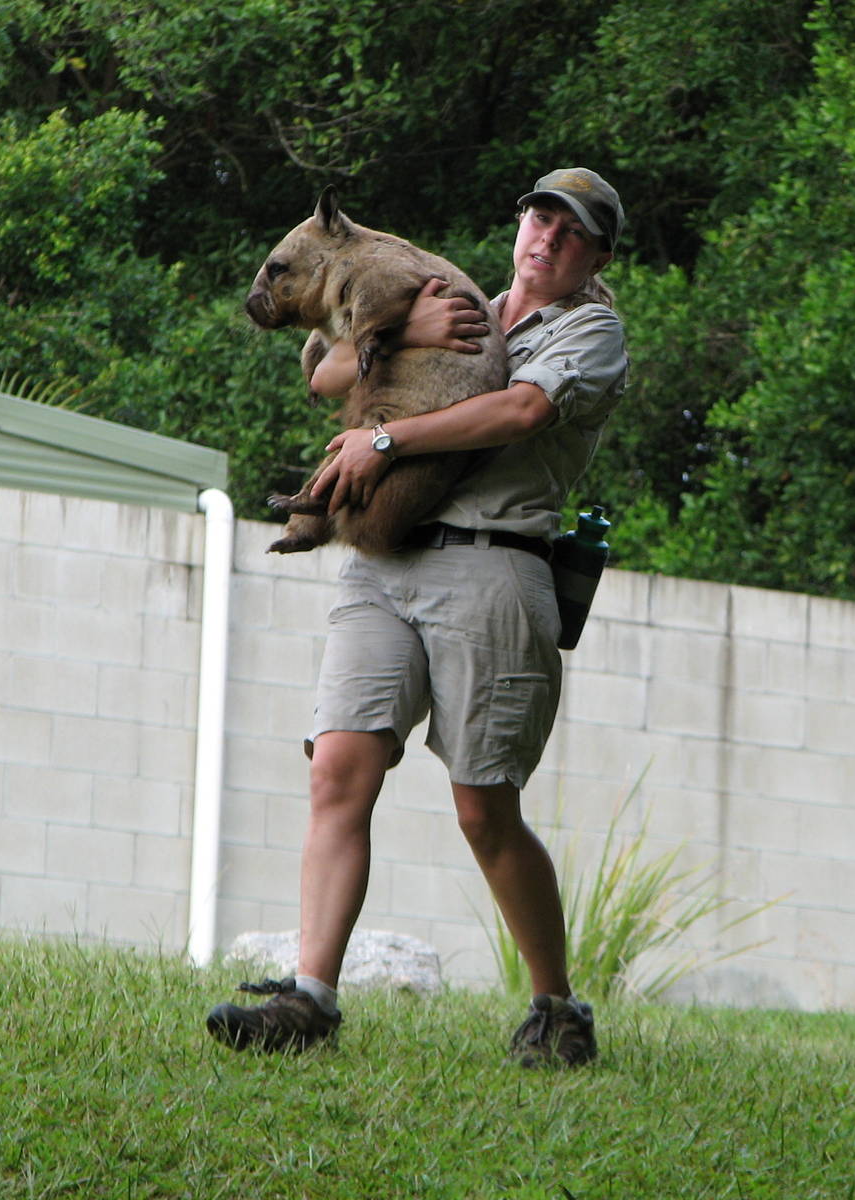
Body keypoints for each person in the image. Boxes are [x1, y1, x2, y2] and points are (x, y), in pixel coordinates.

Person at [206, 168, 628, 1066]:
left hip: (492, 567)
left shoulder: (592, 331)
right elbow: (327, 374)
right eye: (537, 220)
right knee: (339, 768)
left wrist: (385, 438)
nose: (545, 240)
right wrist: (401, 333)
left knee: (485, 811)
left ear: (595, 255)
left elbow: (518, 408)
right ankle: (309, 998)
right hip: (383, 561)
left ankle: (556, 1008)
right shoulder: (451, 295)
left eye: (570, 233)